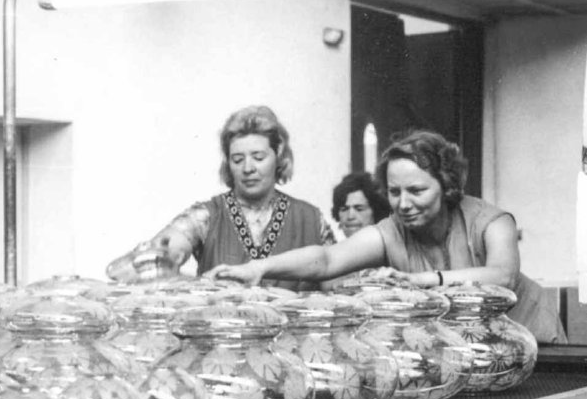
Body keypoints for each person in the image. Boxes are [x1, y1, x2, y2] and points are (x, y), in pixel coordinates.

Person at [210, 129, 566, 343]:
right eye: (395, 192)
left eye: (416, 190)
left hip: (534, 339)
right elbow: (327, 259)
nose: (404, 203)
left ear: (447, 185)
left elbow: (502, 275)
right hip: (474, 346)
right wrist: (259, 267)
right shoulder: (392, 230)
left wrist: (424, 280)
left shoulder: (491, 221)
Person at [106, 105, 335, 291]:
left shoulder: (312, 219)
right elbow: (148, 262)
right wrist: (161, 258)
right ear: (228, 165)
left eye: (258, 157)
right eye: (237, 159)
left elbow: (339, 288)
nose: (248, 168)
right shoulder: (204, 216)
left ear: (279, 158)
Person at [331, 171, 390, 238]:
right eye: (344, 209)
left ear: (375, 212)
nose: (350, 216)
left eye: (359, 209)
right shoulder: (334, 247)